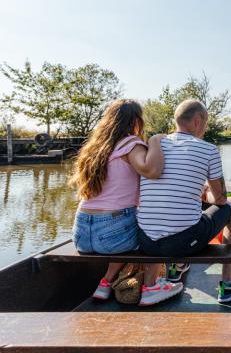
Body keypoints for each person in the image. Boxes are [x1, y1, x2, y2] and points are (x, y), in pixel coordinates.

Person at [69, 99, 181, 306]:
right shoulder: (130, 144)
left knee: (127, 230)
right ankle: (152, 287)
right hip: (112, 235)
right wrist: (155, 141)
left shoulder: (95, 149)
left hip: (81, 235)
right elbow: (152, 171)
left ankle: (105, 283)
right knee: (154, 230)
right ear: (136, 121)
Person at [136, 99, 231, 303]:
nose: (204, 129)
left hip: (145, 241)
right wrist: (206, 194)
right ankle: (228, 281)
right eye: (205, 124)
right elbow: (221, 199)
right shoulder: (208, 150)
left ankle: (152, 284)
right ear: (197, 121)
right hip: (183, 242)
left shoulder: (153, 147)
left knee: (159, 214)